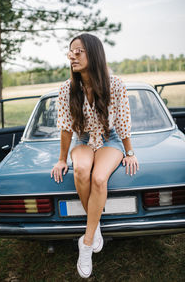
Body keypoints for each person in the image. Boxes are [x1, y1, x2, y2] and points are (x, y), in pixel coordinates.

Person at [51, 33, 139, 279]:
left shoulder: (116, 84)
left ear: (94, 53)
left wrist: (129, 151)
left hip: (110, 140)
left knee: (99, 178)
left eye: (78, 51)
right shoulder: (67, 89)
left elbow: (122, 121)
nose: (72, 56)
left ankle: (86, 244)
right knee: (80, 170)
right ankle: (95, 224)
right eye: (70, 52)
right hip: (82, 140)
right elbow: (67, 127)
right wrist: (61, 159)